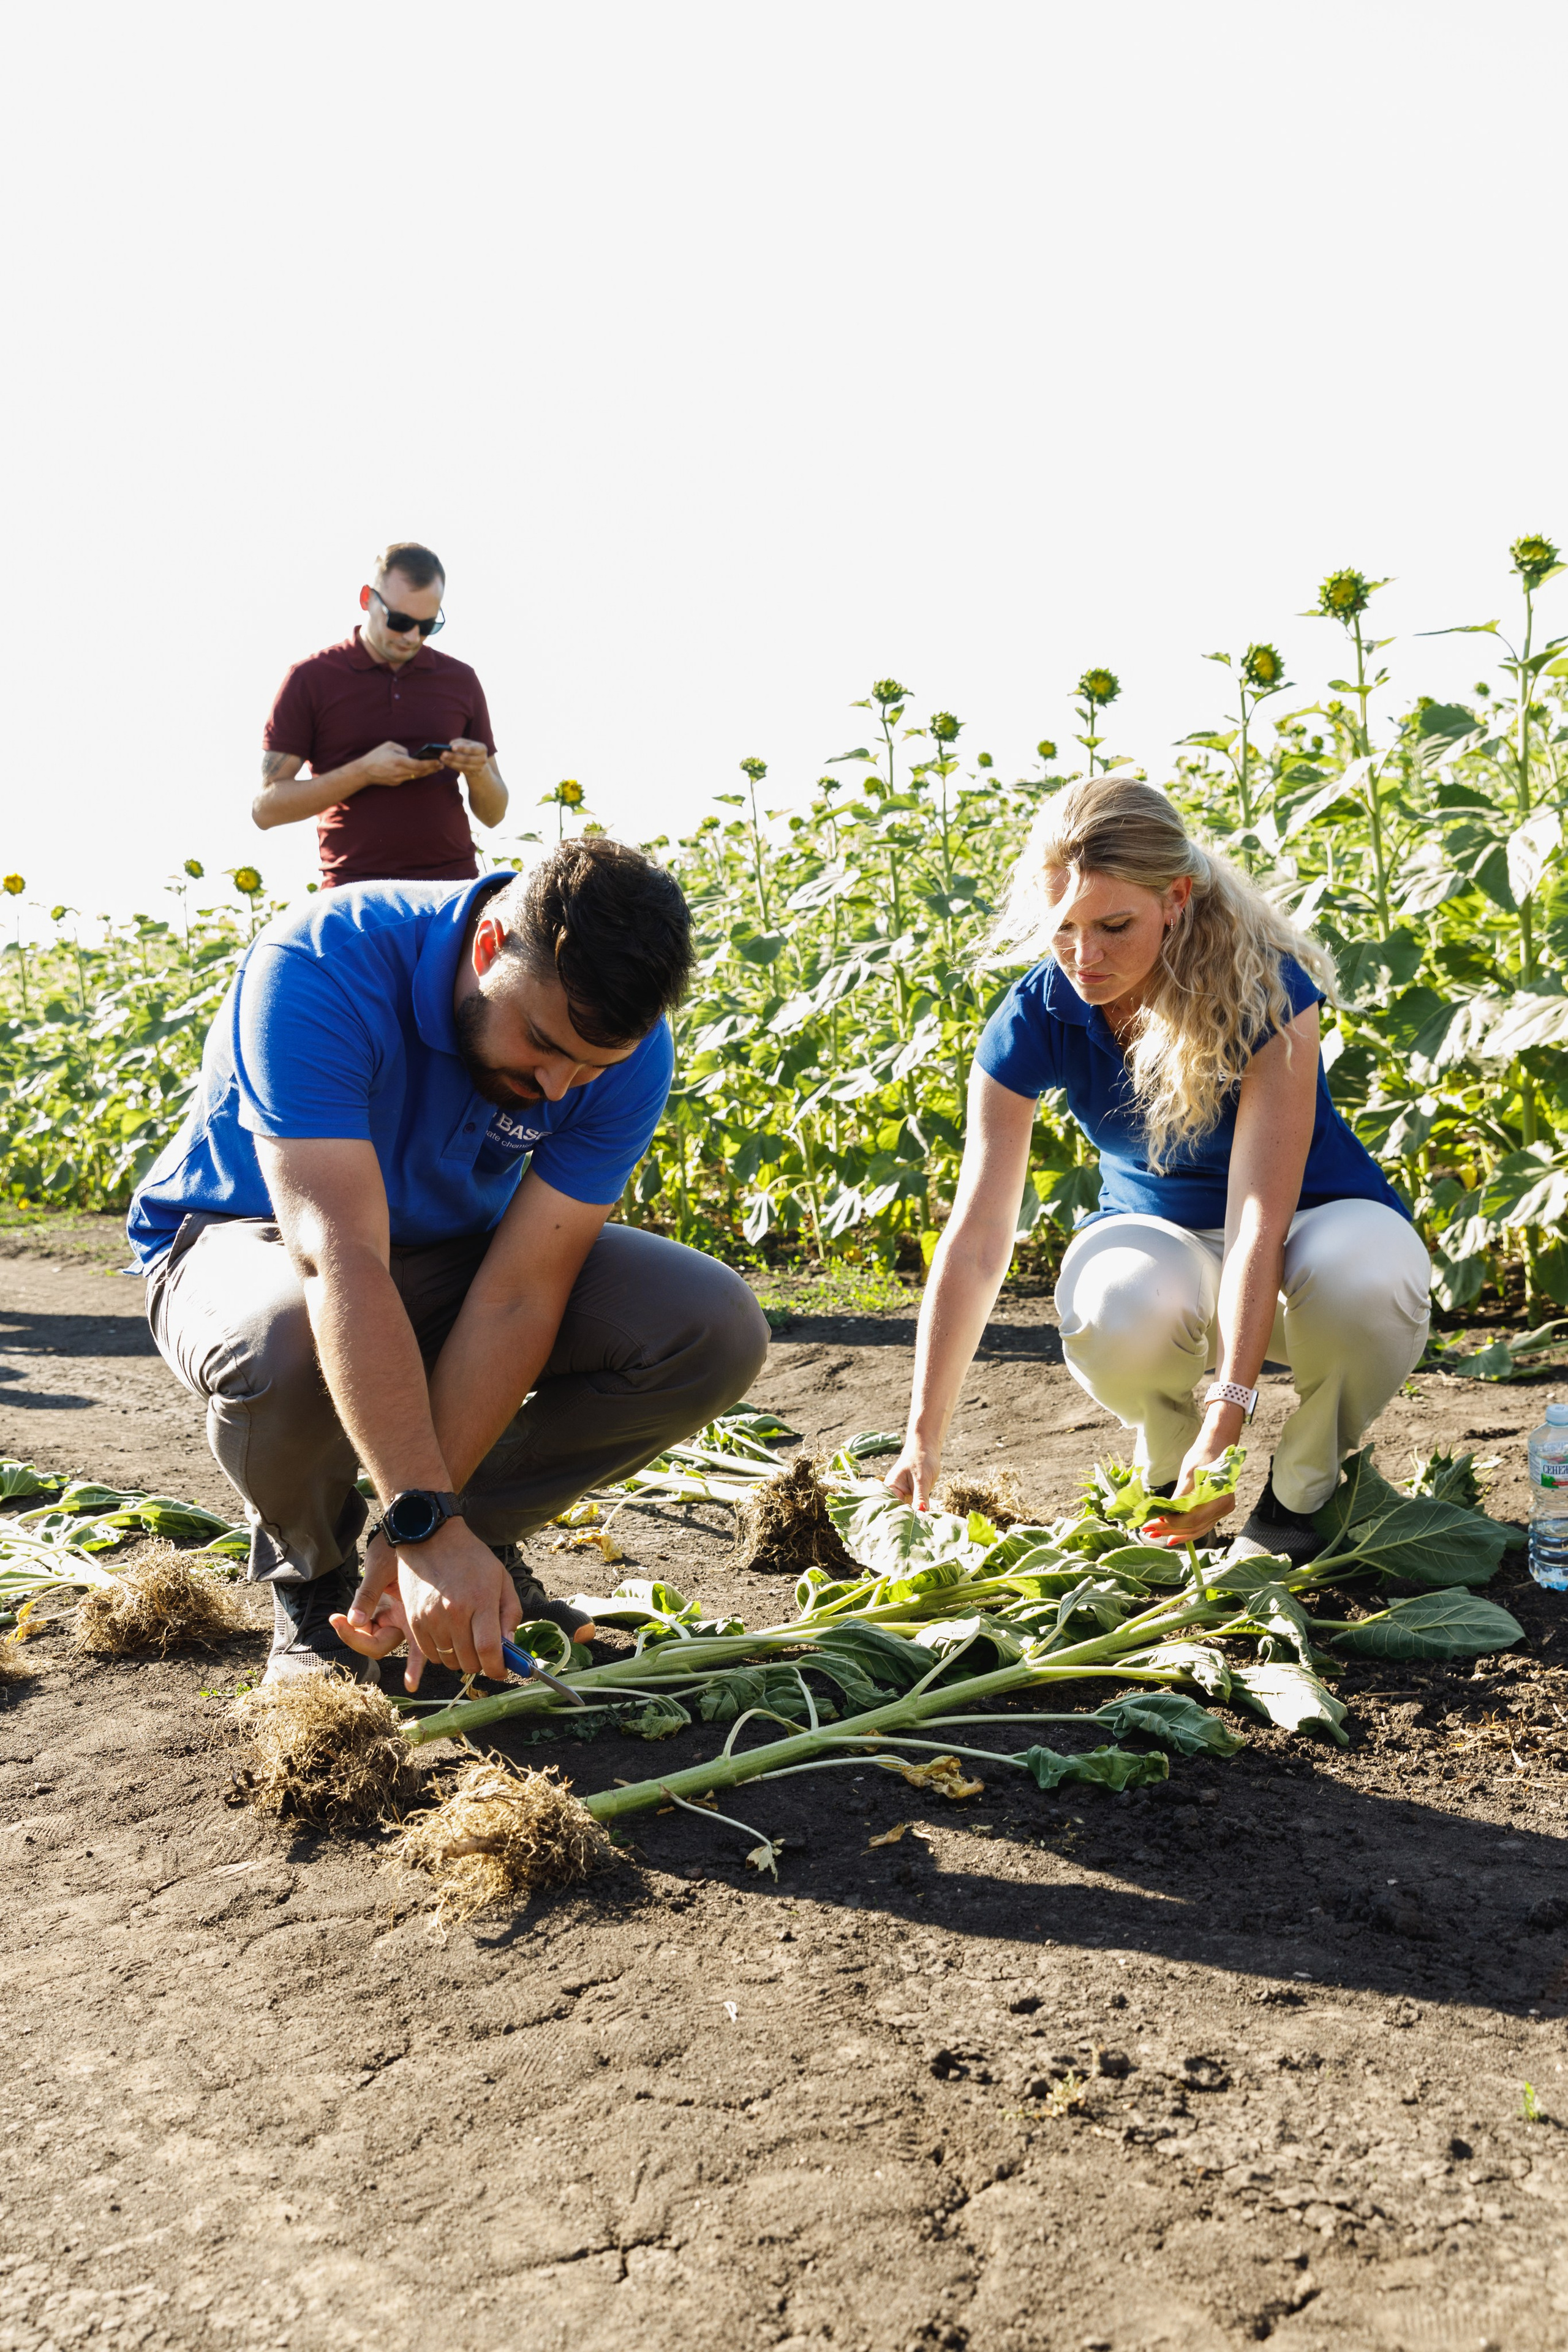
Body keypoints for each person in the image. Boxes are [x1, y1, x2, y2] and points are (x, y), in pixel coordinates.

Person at [127, 837, 769, 1684]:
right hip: (246, 1241)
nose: (557, 1088)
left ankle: (476, 1549)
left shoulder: (620, 1056)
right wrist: (419, 1516)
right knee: (286, 1337)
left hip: (447, 1255)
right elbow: (339, 1260)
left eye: (590, 1066)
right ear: (487, 949)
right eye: (540, 1042)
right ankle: (318, 1587)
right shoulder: (323, 962)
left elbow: (522, 1291)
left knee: (708, 1326)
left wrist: (428, 1526)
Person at [886, 776, 1431, 1561]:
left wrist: (1230, 1415)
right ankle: (1174, 1472)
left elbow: (1256, 1222)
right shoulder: (1037, 1012)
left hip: (1307, 1236)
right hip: (1160, 1248)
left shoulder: (1265, 991)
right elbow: (975, 1239)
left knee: (1368, 1278)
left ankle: (1298, 1493)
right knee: (1120, 1296)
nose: (1085, 956)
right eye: (1061, 928)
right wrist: (921, 1441)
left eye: (1114, 925)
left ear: (1175, 898)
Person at [254, 541, 509, 888]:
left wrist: (478, 771)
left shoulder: (460, 680)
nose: (412, 637)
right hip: (353, 896)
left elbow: (494, 815)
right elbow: (265, 810)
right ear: (366, 600)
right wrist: (363, 772)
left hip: (452, 892)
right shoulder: (309, 679)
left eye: (427, 625)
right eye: (400, 621)